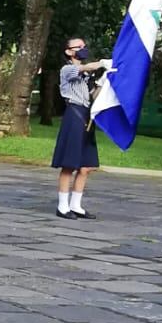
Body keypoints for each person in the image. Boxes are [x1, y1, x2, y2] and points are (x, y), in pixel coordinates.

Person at [53, 36, 111, 219]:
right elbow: (83, 67)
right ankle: (62, 206)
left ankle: (76, 205)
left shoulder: (86, 76)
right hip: (74, 115)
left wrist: (103, 82)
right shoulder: (67, 69)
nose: (82, 49)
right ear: (69, 51)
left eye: (84, 46)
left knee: (86, 166)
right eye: (78, 47)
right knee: (69, 164)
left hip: (87, 115)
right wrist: (101, 63)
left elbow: (93, 96)